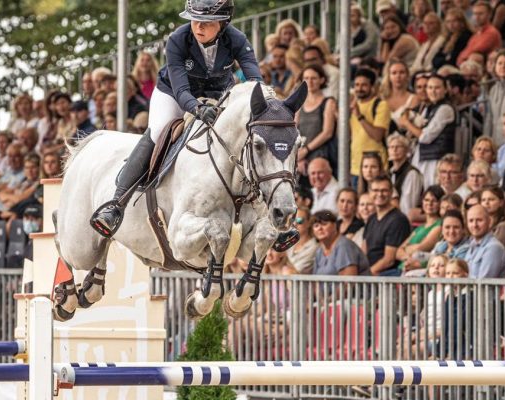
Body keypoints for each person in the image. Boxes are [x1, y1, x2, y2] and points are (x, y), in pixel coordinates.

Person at [90, 0, 264, 239]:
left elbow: (255, 79)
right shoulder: (177, 39)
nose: (198, 27)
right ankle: (116, 204)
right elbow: (182, 90)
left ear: (223, 23)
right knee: (158, 130)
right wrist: (197, 108)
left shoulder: (237, 39)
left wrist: (266, 102)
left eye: (206, 22)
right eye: (194, 20)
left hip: (218, 93)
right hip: (173, 93)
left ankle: (264, 209)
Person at [399, 74, 456, 189]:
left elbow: (426, 137)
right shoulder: (428, 108)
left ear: (445, 90)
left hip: (435, 159)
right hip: (422, 156)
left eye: (437, 88)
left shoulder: (445, 109)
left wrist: (406, 123)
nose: (433, 91)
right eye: (430, 88)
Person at [362, 175, 411, 276]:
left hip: (387, 279)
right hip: (369, 276)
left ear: (391, 192)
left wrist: (366, 275)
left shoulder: (398, 220)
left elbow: (389, 260)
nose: (379, 194)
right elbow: (363, 251)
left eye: (384, 190)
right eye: (375, 190)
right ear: (370, 192)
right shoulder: (371, 218)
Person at [350, 69, 390, 188]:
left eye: (364, 85)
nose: (359, 88)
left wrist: (359, 116)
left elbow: (378, 135)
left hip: (376, 167)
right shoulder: (352, 105)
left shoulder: (381, 105)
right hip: (356, 167)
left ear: (372, 86)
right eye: (357, 85)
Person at [296, 65, 338, 176]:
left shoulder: (329, 102)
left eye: (313, 78)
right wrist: (298, 156)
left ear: (322, 80)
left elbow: (327, 133)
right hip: (302, 155)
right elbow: (294, 130)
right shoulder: (300, 102)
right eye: (306, 78)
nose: (309, 82)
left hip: (321, 154)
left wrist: (306, 150)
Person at [396, 186, 444, 275]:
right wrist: (407, 258)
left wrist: (406, 248)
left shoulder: (440, 225)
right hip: (403, 267)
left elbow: (421, 248)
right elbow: (398, 251)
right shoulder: (419, 228)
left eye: (434, 201)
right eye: (426, 200)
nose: (429, 203)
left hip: (413, 271)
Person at [312, 210, 370, 276]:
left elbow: (348, 282)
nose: (320, 228)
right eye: (316, 226)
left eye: (324, 224)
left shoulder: (344, 245)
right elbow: (315, 281)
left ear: (334, 225)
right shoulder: (319, 251)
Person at [463, 204, 505, 278]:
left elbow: (484, 283)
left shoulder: (494, 247)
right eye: (471, 221)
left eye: (479, 220)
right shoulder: (471, 245)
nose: (474, 225)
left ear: (489, 221)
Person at [387, 134, 423, 216]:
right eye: (391, 147)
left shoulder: (412, 173)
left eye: (398, 147)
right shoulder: (390, 173)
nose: (394, 150)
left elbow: (408, 207)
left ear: (406, 150)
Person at [380, 60, 418, 134]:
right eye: (394, 73)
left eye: (402, 72)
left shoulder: (414, 99)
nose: (398, 76)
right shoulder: (382, 98)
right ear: (389, 76)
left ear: (407, 75)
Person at [287, 207, 318, 274]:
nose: (294, 224)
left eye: (299, 220)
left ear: (309, 223)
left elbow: (296, 270)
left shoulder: (315, 247)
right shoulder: (288, 244)